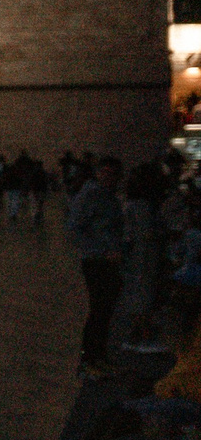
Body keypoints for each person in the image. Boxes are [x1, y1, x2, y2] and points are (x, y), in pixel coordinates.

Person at [67, 157, 127, 375]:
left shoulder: (108, 196)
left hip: (108, 261)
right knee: (99, 310)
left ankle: (98, 356)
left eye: (113, 175)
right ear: (98, 173)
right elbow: (74, 229)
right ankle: (88, 360)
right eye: (106, 173)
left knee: (105, 311)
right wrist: (102, 251)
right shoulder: (90, 196)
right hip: (95, 261)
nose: (110, 178)